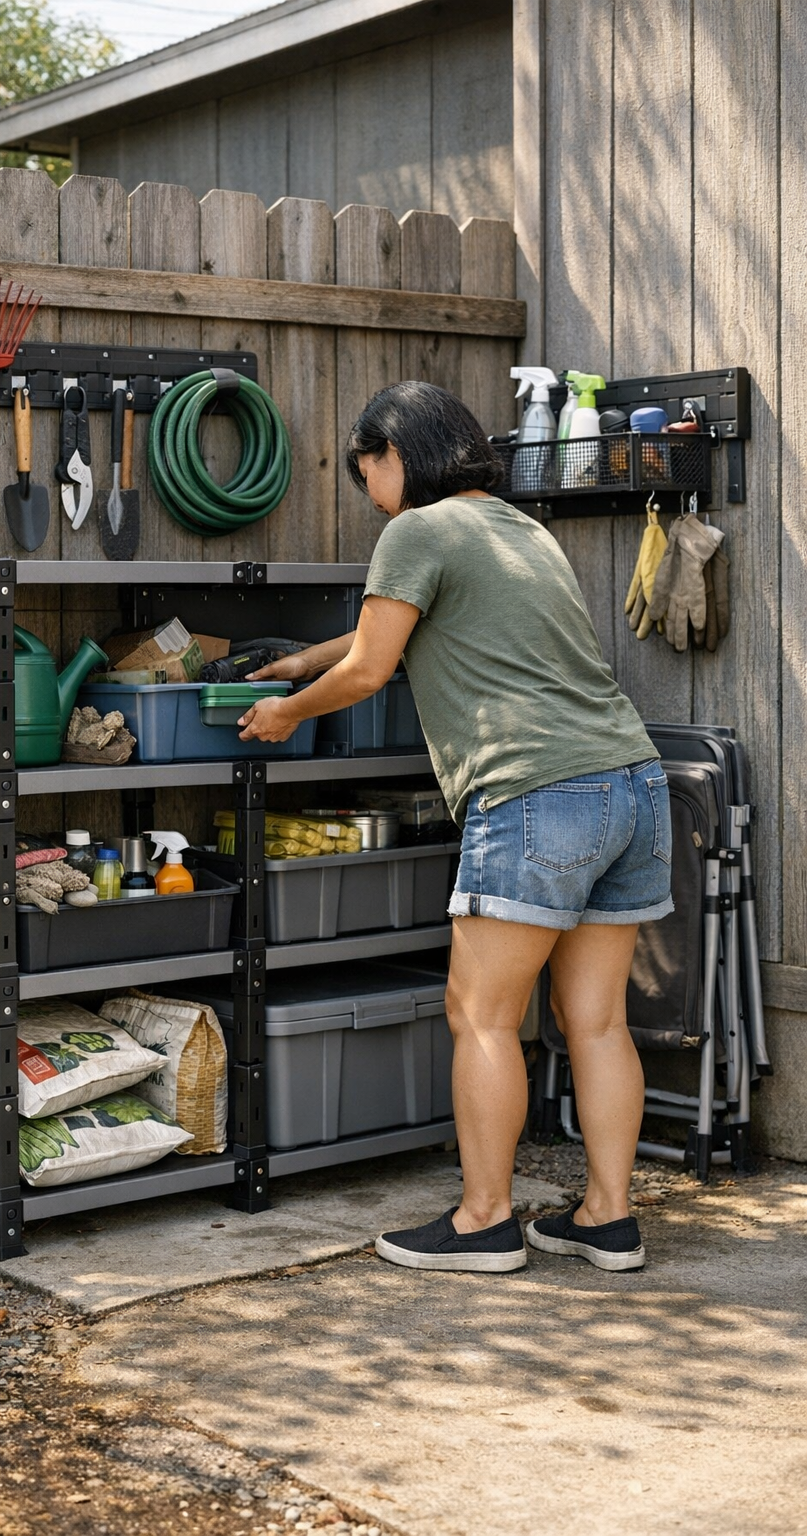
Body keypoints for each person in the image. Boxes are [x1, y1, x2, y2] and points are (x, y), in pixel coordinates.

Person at [237, 380, 673, 1275]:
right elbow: (404, 634)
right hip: (633, 785)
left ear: (394, 457)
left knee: (480, 1014)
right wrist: (306, 659)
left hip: (534, 794)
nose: (371, 497)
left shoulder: (416, 529)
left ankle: (483, 1222)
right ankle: (608, 1218)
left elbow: (368, 671)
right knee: (594, 1022)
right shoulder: (522, 531)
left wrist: (288, 710)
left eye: (367, 475)